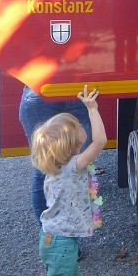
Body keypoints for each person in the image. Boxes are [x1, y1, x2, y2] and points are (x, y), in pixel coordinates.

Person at [31, 86, 106, 276]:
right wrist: (92, 109)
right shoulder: (74, 166)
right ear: (74, 143)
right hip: (60, 240)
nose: (81, 126)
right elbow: (100, 142)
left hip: (59, 239)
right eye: (77, 127)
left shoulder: (54, 167)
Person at [18, 86, 93, 220]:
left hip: (79, 93)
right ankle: (49, 231)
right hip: (44, 93)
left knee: (78, 165)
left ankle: (65, 229)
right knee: (45, 169)